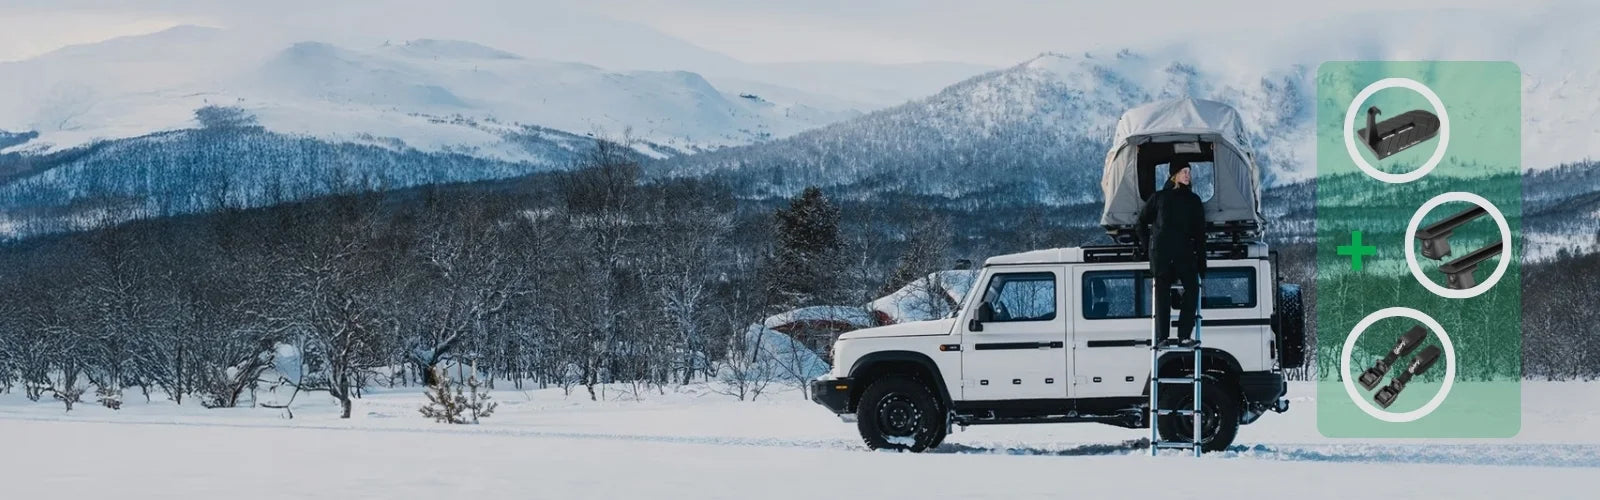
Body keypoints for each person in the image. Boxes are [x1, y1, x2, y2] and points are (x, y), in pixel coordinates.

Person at [1135, 161, 1207, 347]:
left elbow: (1200, 234)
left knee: (1192, 289)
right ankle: (1162, 337)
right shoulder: (1159, 198)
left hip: (1184, 253)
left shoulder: (1194, 200)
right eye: (1184, 171)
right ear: (1173, 174)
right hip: (1162, 254)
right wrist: (1147, 247)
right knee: (1162, 293)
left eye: (1189, 172)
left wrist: (1202, 261)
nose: (1188, 175)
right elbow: (1140, 223)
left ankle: (1184, 335)